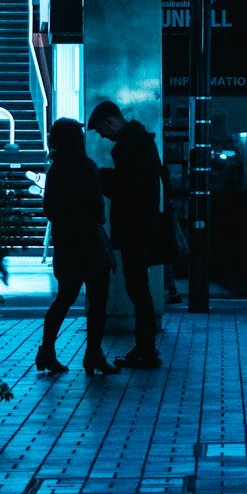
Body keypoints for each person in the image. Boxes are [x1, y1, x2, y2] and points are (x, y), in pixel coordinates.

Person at [37, 118, 118, 377]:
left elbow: (48, 208)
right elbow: (98, 208)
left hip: (66, 244)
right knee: (97, 300)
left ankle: (46, 350)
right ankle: (93, 353)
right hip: (90, 243)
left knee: (65, 298)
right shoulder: (86, 167)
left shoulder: (56, 169)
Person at [87, 99, 162, 369]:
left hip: (135, 227)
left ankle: (146, 350)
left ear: (110, 121)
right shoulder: (142, 140)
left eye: (101, 130)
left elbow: (127, 189)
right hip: (143, 225)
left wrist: (101, 177)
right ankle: (145, 348)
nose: (103, 136)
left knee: (137, 288)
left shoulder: (131, 145)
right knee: (138, 288)